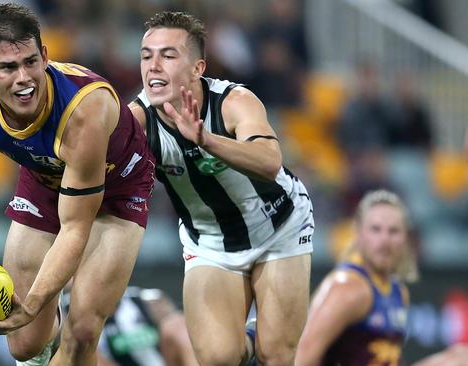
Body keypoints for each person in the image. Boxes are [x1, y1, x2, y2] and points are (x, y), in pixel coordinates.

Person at [0, 4, 155, 366]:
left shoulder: (84, 110)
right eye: (8, 67)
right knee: (23, 344)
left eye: (31, 62)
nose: (24, 78)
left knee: (82, 330)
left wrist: (35, 303)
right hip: (45, 180)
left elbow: (74, 228)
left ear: (46, 56)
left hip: (118, 190)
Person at [129, 11, 314, 366]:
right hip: (210, 241)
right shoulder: (136, 121)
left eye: (168, 55)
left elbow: (269, 161)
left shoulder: (232, 102)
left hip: (278, 228)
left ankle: (264, 342)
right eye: (146, 55)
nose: (153, 66)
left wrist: (206, 140)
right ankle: (249, 340)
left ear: (198, 68)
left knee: (276, 355)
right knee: (218, 359)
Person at [295, 189, 416, 365]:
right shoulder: (347, 288)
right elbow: (301, 357)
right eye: (375, 229)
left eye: (394, 231)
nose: (384, 240)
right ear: (358, 234)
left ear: (406, 238)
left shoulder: (399, 291)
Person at [62, 286, 198, 366]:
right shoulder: (64, 312)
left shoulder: (147, 300)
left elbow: (181, 336)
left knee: (176, 324)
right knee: (78, 346)